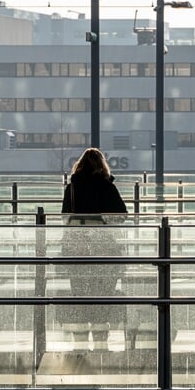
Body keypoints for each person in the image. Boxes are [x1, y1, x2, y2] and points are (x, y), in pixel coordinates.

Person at [59, 148, 128, 350]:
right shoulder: (106, 187)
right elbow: (122, 215)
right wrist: (102, 221)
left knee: (79, 293)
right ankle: (100, 341)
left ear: (79, 165)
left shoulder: (72, 188)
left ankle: (79, 342)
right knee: (103, 294)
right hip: (104, 249)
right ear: (101, 165)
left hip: (77, 250)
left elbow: (65, 217)